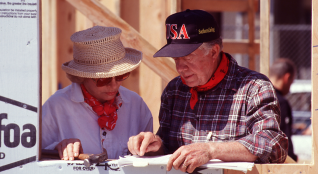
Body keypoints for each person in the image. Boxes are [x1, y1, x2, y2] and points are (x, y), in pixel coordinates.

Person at [128, 9, 288, 173]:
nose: (180, 68)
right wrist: (155, 146)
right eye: (176, 59)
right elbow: (169, 148)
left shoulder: (254, 87)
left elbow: (273, 145)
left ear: (213, 51)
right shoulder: (174, 90)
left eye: (188, 57)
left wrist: (212, 150)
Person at [42, 26, 153, 160]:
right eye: (103, 79)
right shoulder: (56, 106)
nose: (114, 84)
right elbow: (33, 157)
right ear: (82, 77)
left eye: (120, 76)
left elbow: (152, 160)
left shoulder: (136, 104)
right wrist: (57, 148)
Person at [269, 58, 298, 162]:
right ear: (287, 77)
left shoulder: (258, 97)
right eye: (292, 81)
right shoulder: (280, 102)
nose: (290, 87)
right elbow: (284, 139)